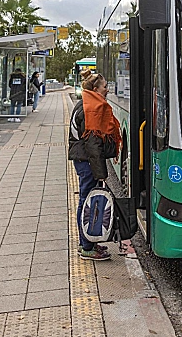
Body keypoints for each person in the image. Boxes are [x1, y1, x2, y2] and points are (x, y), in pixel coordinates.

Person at [68, 69, 122, 261]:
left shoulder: (88, 104)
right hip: (86, 162)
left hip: (84, 160)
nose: (108, 90)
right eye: (105, 86)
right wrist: (101, 173)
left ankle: (89, 241)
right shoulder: (89, 109)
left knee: (87, 200)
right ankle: (86, 247)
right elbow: (92, 144)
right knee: (86, 201)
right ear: (96, 89)